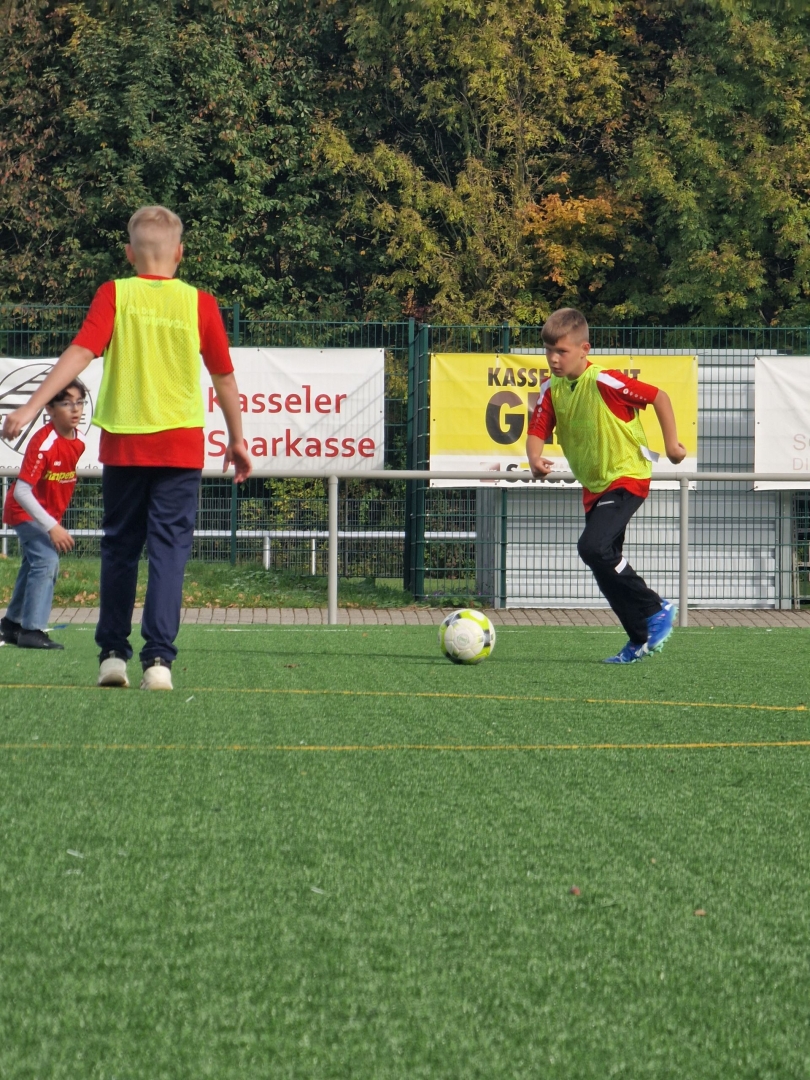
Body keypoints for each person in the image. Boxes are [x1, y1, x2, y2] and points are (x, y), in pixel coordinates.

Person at [2, 205, 252, 689]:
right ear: (180, 254)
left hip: (124, 448)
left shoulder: (114, 293)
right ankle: (158, 662)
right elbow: (224, 377)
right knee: (169, 553)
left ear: (128, 254)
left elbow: (81, 351)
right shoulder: (200, 303)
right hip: (180, 449)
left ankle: (113, 655)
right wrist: (237, 440)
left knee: (119, 549)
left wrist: (32, 406)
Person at [526, 307, 686, 664]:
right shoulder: (551, 389)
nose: (553, 358)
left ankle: (655, 607)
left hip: (627, 476)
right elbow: (537, 428)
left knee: (593, 547)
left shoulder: (603, 381)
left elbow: (658, 397)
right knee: (601, 562)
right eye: (548, 351)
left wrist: (672, 446)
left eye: (561, 351)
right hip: (595, 486)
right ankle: (639, 639)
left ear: (585, 349)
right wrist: (534, 457)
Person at [1, 380, 87, 650]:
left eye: (80, 402)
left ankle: (11, 624)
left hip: (43, 516)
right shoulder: (44, 442)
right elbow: (21, 492)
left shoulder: (79, 441)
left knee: (33, 564)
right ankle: (32, 630)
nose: (75, 409)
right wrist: (52, 526)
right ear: (49, 409)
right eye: (66, 403)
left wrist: (52, 522)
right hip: (23, 511)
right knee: (47, 561)